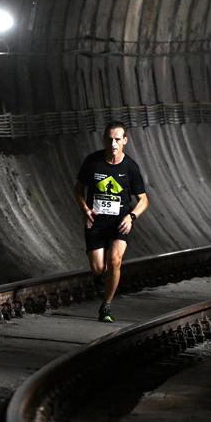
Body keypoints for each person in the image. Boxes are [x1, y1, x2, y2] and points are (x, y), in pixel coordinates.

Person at [73, 121, 149, 323]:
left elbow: (144, 200)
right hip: (96, 224)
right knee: (99, 269)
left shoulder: (130, 167)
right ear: (104, 140)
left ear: (125, 141)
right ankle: (100, 278)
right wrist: (85, 209)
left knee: (115, 260)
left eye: (117, 139)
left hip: (119, 223)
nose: (113, 143)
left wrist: (131, 217)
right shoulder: (93, 162)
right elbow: (78, 190)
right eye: (110, 139)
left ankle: (106, 305)